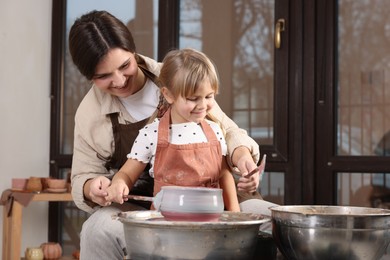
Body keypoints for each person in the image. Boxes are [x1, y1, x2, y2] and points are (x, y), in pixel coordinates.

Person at [69, 10, 274, 260]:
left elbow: (228, 131)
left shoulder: (180, 76)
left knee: (276, 220)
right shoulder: (90, 114)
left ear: (133, 51)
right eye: (104, 76)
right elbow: (85, 175)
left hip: (216, 205)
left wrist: (241, 156)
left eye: (125, 66)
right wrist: (93, 187)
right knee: (97, 230)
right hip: (153, 210)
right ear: (90, 77)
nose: (120, 80)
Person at [105, 48, 240, 212]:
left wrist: (235, 215)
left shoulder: (214, 130)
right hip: (165, 225)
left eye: (209, 96)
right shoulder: (151, 134)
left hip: (210, 223)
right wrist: (119, 183)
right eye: (193, 98)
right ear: (168, 95)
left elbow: (224, 175)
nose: (203, 105)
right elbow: (126, 174)